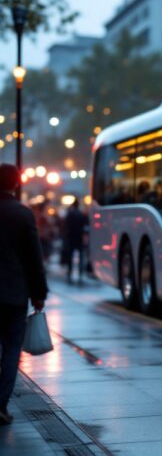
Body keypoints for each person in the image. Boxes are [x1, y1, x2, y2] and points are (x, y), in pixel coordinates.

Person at [0, 164, 48, 425]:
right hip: (15, 295)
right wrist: (39, 294)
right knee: (10, 351)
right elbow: (33, 258)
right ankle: (1, 404)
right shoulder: (22, 214)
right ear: (16, 184)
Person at [63, 198, 89, 283]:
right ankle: (80, 272)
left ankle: (70, 271)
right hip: (79, 237)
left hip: (71, 237)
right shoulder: (81, 214)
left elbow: (66, 225)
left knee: (70, 255)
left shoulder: (70, 214)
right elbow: (85, 226)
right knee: (81, 255)